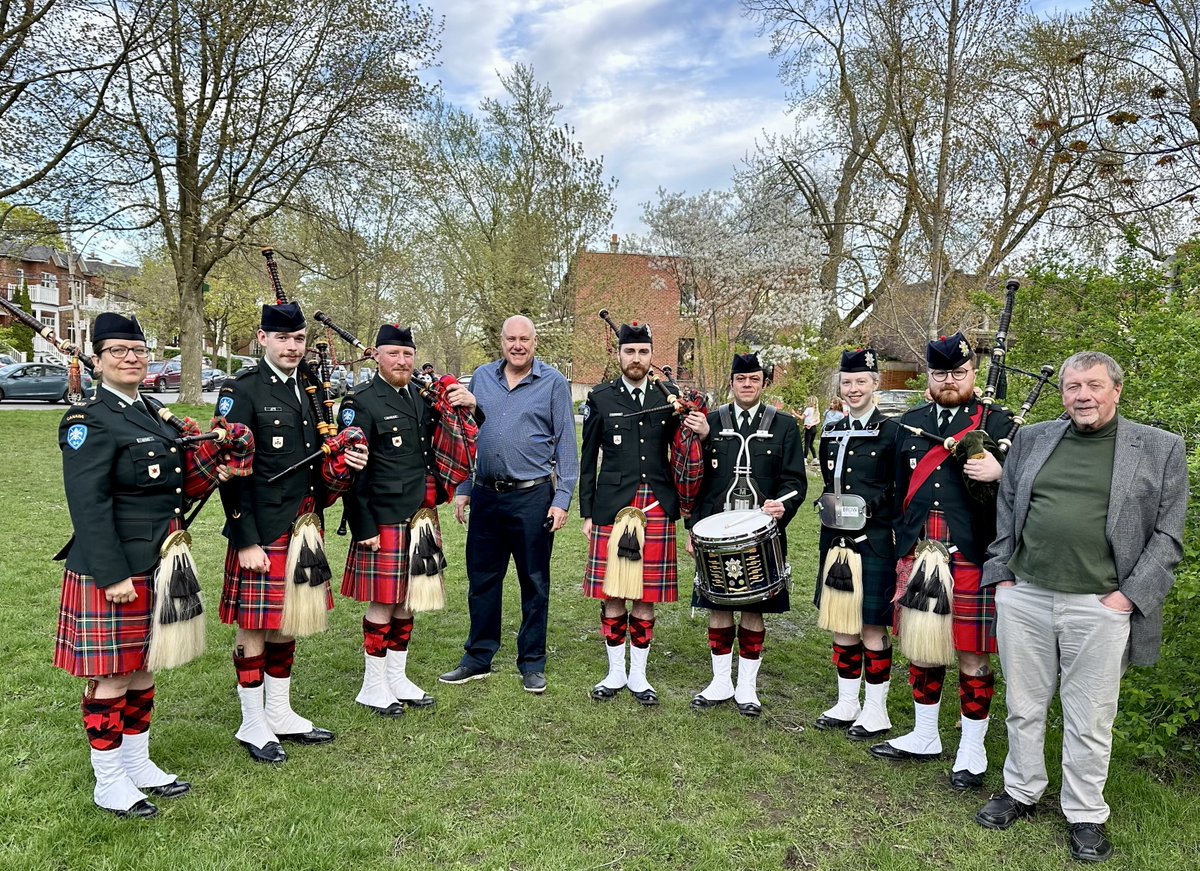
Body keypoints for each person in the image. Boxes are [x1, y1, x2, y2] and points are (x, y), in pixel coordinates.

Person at [975, 352, 1187, 864]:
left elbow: (1168, 534)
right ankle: (1021, 790)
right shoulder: (1034, 439)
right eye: (1073, 386)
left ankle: (1085, 813)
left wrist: (1127, 597)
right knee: (1024, 705)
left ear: (1116, 390)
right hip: (1026, 595)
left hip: (1101, 603)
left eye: (1093, 385)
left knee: (1090, 716)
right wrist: (1003, 575)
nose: (1083, 395)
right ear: (1063, 393)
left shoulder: (1159, 448)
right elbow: (1008, 506)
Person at [53, 313, 213, 817]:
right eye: (118, 351)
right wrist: (112, 574)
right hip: (117, 565)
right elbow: (88, 505)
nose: (131, 358)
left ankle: (138, 764)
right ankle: (109, 781)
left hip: (159, 558)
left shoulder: (152, 412)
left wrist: (217, 462)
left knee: (144, 668)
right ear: (98, 360)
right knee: (113, 677)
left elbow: (174, 486)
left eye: (138, 350)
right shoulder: (87, 420)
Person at [216, 301, 368, 764]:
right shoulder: (242, 389)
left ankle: (279, 712)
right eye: (282, 338)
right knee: (255, 626)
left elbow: (320, 458)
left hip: (304, 523)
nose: (292, 347)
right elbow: (230, 469)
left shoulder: (310, 387)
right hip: (262, 527)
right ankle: (251, 722)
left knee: (288, 621)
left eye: (299, 338)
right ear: (262, 338)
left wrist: (346, 464)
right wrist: (245, 540)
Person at [869, 332, 1012, 790]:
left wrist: (1000, 472)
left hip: (972, 552)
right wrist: (903, 543)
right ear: (929, 376)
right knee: (922, 645)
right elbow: (895, 489)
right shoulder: (909, 424)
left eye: (958, 372)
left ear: (973, 373)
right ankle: (925, 734)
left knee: (972, 653)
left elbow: (1023, 493)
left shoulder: (999, 423)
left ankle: (972, 748)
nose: (949, 381)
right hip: (920, 550)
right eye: (940, 373)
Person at [339, 324, 476, 716]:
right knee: (383, 603)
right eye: (393, 354)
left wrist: (466, 402)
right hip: (383, 516)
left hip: (419, 515)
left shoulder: (420, 397)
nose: (401, 361)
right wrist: (363, 527)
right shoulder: (360, 401)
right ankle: (372, 686)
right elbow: (352, 472)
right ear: (377, 356)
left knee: (407, 601)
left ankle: (396, 678)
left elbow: (446, 439)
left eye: (407, 354)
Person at [440, 315, 578, 693]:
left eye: (524, 339)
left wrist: (562, 499)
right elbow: (468, 436)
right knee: (482, 579)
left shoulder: (553, 383)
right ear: (501, 342)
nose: (518, 346)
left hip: (532, 497)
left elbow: (567, 445)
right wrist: (464, 487)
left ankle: (531, 661)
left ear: (535, 343)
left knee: (534, 581)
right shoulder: (482, 378)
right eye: (511, 339)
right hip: (486, 495)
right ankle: (478, 656)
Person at [578, 321, 691, 705]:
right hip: (613, 504)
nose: (636, 358)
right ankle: (615, 672)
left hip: (656, 502)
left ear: (651, 355)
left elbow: (683, 450)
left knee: (645, 596)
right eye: (630, 351)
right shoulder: (601, 397)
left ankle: (639, 675)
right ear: (619, 354)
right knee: (613, 593)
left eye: (643, 352)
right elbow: (588, 458)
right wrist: (588, 512)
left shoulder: (668, 395)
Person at [688, 353, 806, 716]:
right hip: (715, 535)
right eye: (741, 379)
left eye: (754, 379)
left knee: (754, 609)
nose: (747, 384)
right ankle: (720, 682)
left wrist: (783, 505)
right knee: (717, 606)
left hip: (761, 536)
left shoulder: (784, 426)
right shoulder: (710, 422)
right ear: (731, 382)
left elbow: (795, 482)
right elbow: (693, 479)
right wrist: (692, 528)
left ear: (764, 383)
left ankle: (747, 687)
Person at [813, 348, 899, 740]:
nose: (853, 388)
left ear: (875, 383)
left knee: (871, 624)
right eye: (847, 382)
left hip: (874, 539)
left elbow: (899, 487)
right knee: (841, 620)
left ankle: (876, 710)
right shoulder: (831, 431)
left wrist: (871, 507)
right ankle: (847, 702)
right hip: (835, 538)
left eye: (861, 381)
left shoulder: (892, 431)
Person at [802, 395, 820, 463]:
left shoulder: (808, 409)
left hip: (808, 428)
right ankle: (815, 458)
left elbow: (802, 417)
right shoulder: (816, 410)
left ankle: (804, 459)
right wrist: (812, 424)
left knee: (807, 444)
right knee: (810, 444)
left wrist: (794, 413)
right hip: (814, 428)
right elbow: (818, 421)